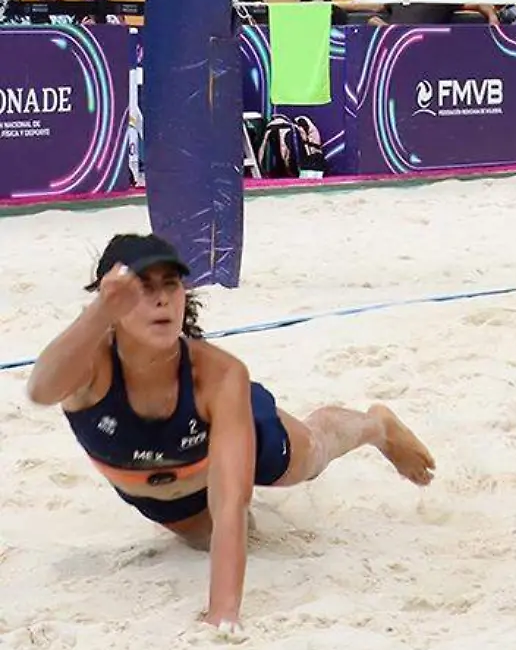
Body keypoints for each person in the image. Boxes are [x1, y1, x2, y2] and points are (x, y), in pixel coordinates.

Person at [24, 235, 436, 628]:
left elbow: (229, 499)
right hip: (160, 490)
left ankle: (376, 426)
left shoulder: (218, 375)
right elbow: (41, 389)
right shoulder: (87, 367)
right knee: (222, 539)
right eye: (142, 288)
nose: (163, 298)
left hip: (233, 438)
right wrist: (99, 313)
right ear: (109, 300)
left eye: (171, 284)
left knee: (307, 457)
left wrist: (223, 613)